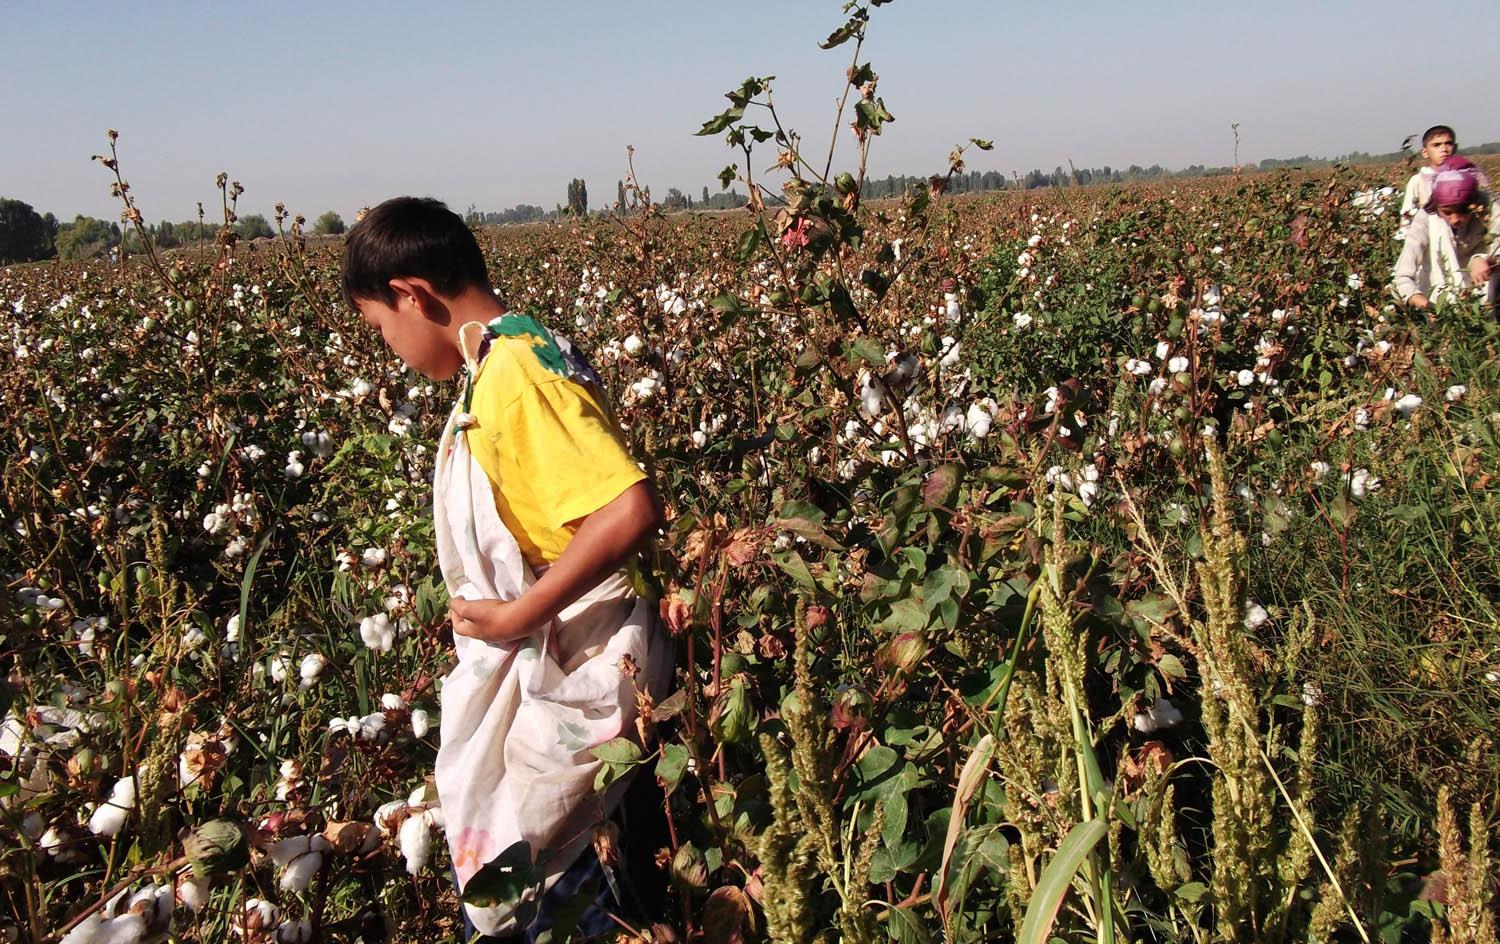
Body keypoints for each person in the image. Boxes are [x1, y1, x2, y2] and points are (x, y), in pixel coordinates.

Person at [341, 197, 673, 942]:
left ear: (411, 294)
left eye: (380, 327)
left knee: (565, 895)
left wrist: (518, 616)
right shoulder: (508, 358)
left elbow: (627, 509)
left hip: (582, 668)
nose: (389, 347)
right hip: (576, 661)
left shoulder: (513, 375)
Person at [1394, 157, 1500, 311]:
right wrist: (1422, 303)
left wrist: (1484, 259)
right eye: (1447, 212)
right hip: (1438, 302)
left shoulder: (1491, 207)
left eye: (1463, 210)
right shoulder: (1425, 219)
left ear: (1475, 204)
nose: (1455, 219)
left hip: (1487, 298)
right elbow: (1403, 274)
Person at [1398, 125, 1457, 239]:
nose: (1444, 149)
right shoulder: (1418, 181)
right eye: (1436, 145)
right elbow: (1406, 216)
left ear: (1455, 148)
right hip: (1428, 241)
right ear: (1425, 152)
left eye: (1448, 143)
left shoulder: (1464, 178)